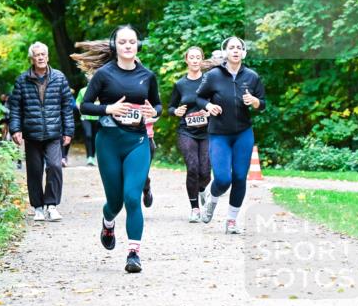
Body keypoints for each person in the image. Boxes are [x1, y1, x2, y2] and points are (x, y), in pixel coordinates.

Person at [73, 25, 161, 273]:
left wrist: (153, 112)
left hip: (138, 142)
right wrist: (108, 109)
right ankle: (108, 221)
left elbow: (158, 105)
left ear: (137, 45)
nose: (128, 46)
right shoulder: (104, 74)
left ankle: (134, 253)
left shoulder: (147, 75)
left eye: (132, 42)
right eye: (123, 42)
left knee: (132, 197)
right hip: (109, 142)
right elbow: (85, 106)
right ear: (115, 45)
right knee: (115, 201)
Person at [196, 36, 266, 233]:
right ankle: (212, 195)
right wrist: (209, 105)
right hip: (219, 134)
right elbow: (200, 97)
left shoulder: (252, 76)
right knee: (223, 178)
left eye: (239, 47)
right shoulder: (213, 76)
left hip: (243, 133)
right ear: (225, 52)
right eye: (231, 47)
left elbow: (262, 104)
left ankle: (232, 221)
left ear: (243, 53)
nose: (235, 50)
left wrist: (254, 101)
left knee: (240, 178)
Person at [8, 42, 74, 222]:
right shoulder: (22, 80)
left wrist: (68, 131)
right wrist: (15, 129)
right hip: (32, 134)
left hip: (54, 133)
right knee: (35, 171)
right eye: (37, 55)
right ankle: (38, 207)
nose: (41, 57)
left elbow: (67, 107)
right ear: (32, 58)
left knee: (54, 166)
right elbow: (16, 108)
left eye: (43, 54)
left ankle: (51, 205)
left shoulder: (59, 78)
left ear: (48, 56)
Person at [168, 46, 212, 222]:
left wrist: (210, 112)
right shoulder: (180, 84)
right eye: (191, 57)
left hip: (208, 131)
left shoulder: (210, 82)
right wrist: (176, 111)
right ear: (186, 60)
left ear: (202, 60)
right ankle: (195, 208)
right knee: (193, 167)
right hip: (186, 131)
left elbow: (219, 103)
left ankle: (202, 189)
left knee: (205, 171)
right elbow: (171, 107)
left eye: (198, 57)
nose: (194, 60)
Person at [75, 84, 100, 166]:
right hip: (85, 117)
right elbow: (78, 101)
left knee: (95, 137)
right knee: (88, 135)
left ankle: (93, 156)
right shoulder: (82, 90)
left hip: (97, 117)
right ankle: (89, 157)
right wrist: (81, 108)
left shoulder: (100, 88)